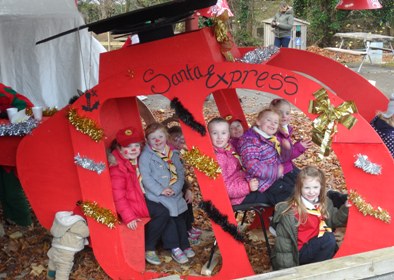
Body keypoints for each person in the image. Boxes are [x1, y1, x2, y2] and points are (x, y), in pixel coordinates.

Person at [271, 166, 350, 270]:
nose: (311, 192)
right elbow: (284, 248)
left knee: (329, 242)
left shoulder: (323, 203)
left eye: (315, 187)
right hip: (298, 253)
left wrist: (345, 208)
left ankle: (322, 268)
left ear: (321, 187)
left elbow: (334, 220)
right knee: (328, 239)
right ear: (299, 188)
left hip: (315, 245)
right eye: (307, 188)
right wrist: (289, 273)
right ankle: (315, 271)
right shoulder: (291, 213)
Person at [139, 122, 195, 264]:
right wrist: (161, 190)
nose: (157, 140)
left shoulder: (173, 154)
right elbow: (146, 178)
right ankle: (174, 247)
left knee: (181, 218)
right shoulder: (146, 156)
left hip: (174, 193)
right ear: (147, 140)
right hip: (157, 196)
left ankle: (185, 244)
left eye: (160, 136)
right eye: (153, 138)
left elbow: (180, 173)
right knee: (169, 218)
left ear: (166, 137)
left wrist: (176, 189)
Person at [208, 117, 271, 205]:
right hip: (238, 197)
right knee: (272, 194)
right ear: (208, 135)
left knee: (276, 184)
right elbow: (223, 188)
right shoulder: (217, 158)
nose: (219, 137)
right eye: (215, 133)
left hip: (245, 181)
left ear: (228, 135)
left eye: (223, 133)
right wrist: (247, 187)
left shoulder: (228, 147)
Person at [237, 108, 292, 205]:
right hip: (262, 183)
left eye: (275, 122)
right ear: (258, 121)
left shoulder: (270, 139)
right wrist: (275, 172)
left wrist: (285, 150)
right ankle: (283, 217)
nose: (272, 124)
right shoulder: (251, 141)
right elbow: (252, 166)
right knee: (290, 195)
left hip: (273, 177)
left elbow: (280, 159)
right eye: (269, 120)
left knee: (298, 184)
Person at [167, 125, 202, 245]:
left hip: (177, 183)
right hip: (169, 186)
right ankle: (186, 229)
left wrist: (188, 188)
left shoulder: (177, 152)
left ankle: (189, 227)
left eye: (181, 140)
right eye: (174, 139)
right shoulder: (169, 152)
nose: (178, 142)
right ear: (167, 139)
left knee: (188, 198)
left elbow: (181, 174)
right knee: (184, 199)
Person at [269, 98, 313, 180]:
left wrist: (299, 144)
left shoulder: (284, 129)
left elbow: (288, 150)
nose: (284, 116)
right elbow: (284, 156)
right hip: (281, 172)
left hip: (287, 166)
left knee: (308, 180)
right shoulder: (274, 134)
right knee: (302, 186)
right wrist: (300, 147)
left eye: (287, 113)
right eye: (280, 113)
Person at [46, 211, 89, 280]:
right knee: (63, 270)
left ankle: (50, 277)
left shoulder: (61, 222)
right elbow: (86, 232)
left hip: (55, 248)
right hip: (66, 252)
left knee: (52, 264)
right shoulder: (78, 223)